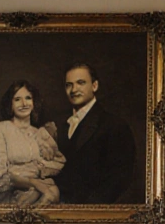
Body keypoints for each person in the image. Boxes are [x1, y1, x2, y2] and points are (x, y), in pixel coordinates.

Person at [55, 63, 140, 204]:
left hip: (91, 214)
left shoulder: (115, 125)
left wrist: (88, 210)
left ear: (94, 86)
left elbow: (119, 178)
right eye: (68, 85)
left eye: (80, 83)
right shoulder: (59, 125)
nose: (74, 90)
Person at [0, 80, 66, 205]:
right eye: (17, 99)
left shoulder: (40, 134)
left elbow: (57, 164)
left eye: (28, 98)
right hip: (9, 195)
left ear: (34, 103)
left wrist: (39, 174)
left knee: (52, 193)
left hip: (38, 191)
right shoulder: (0, 130)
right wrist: (33, 182)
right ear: (10, 105)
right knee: (40, 193)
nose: (24, 104)